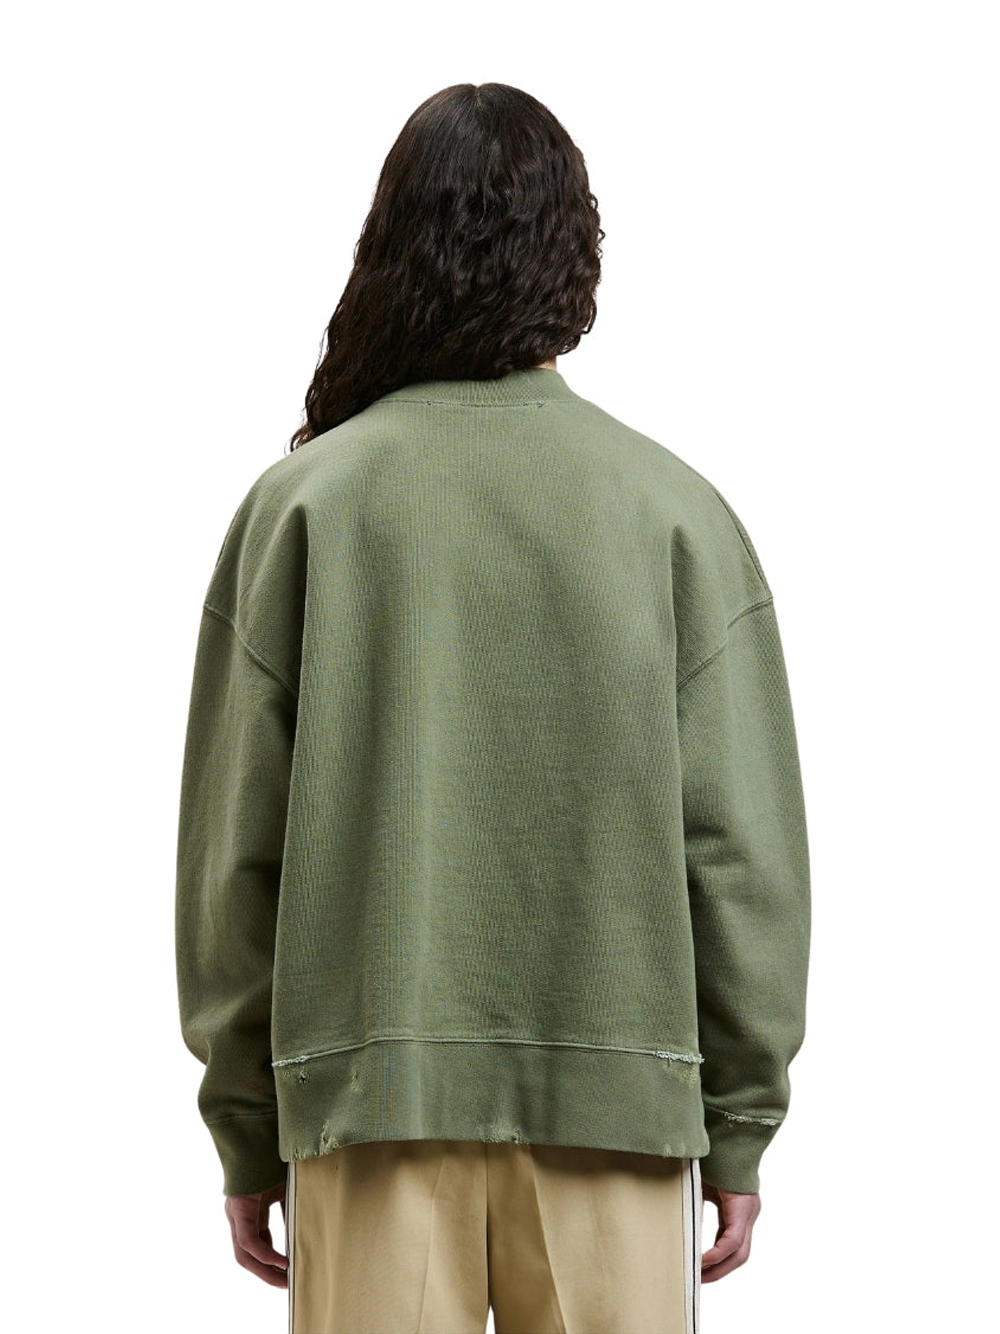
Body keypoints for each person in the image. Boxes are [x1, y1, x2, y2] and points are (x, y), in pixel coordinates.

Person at [175, 82, 811, 1334]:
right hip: (617, 1120)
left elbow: (233, 860)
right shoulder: (673, 514)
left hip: (367, 1115)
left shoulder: (304, 507)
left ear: (390, 245)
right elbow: (741, 856)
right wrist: (738, 1119)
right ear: (576, 255)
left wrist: (247, 1125)